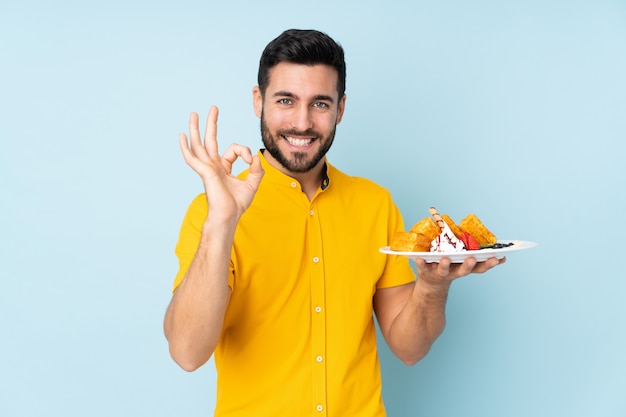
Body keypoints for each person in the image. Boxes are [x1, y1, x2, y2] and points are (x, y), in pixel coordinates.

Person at [163, 29, 505, 417]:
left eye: (320, 103)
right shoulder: (210, 213)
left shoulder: (375, 204)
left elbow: (409, 349)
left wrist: (431, 285)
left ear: (340, 109)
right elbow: (187, 353)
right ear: (258, 101)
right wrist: (222, 222)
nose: (302, 122)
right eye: (285, 100)